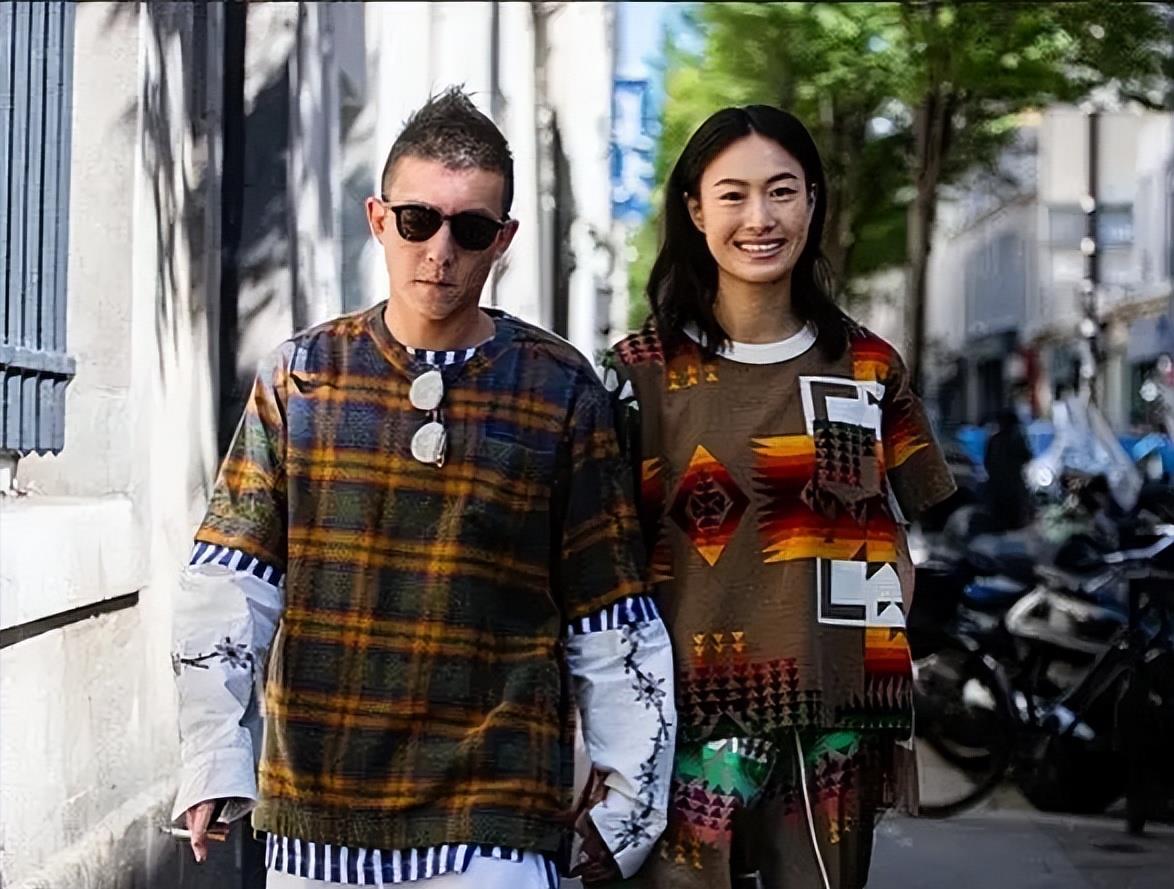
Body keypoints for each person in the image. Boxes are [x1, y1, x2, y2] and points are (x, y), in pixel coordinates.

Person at [170, 87, 675, 889]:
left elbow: (608, 609)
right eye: (417, 220)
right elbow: (233, 577)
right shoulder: (304, 375)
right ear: (379, 219)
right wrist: (212, 755)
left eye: (469, 229)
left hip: (496, 818)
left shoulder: (559, 388)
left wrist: (628, 807)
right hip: (319, 812)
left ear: (502, 239)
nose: (440, 249)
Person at [600, 105, 956, 889]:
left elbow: (900, 530)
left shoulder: (869, 366)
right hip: (683, 724)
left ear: (813, 201)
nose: (760, 218)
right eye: (733, 194)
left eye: (782, 191)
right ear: (696, 211)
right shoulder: (640, 373)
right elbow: (598, 558)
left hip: (836, 728)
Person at [983, 408, 1034, 530]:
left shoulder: (996, 440)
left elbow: (987, 462)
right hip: (1008, 484)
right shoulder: (1012, 439)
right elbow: (1027, 457)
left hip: (1002, 484)